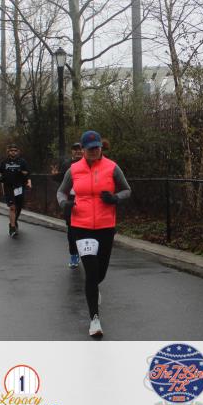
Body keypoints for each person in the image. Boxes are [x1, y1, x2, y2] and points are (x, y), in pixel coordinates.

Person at [57, 130, 132, 338]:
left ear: (101, 147)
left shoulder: (112, 167)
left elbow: (127, 190)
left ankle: (94, 288)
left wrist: (115, 198)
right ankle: (95, 320)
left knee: (101, 272)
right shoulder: (74, 170)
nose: (94, 151)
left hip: (106, 225)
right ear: (82, 150)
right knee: (91, 272)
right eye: (90, 148)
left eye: (97, 147)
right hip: (81, 225)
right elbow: (61, 191)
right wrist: (64, 204)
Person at [0, 144, 31, 238]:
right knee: (12, 207)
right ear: (8, 152)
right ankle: (12, 228)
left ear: (17, 152)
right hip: (9, 187)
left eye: (15, 150)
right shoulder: (4, 162)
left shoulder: (22, 161)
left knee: (19, 207)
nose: (13, 152)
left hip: (19, 187)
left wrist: (26, 178)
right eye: (11, 150)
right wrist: (1, 178)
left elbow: (27, 172)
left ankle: (14, 221)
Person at [60, 142, 84, 268]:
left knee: (85, 229)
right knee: (71, 229)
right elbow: (62, 182)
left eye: (80, 149)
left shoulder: (89, 163)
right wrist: (55, 176)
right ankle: (74, 254)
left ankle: (87, 254)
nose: (78, 151)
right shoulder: (66, 164)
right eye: (75, 149)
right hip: (71, 199)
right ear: (72, 151)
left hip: (85, 199)